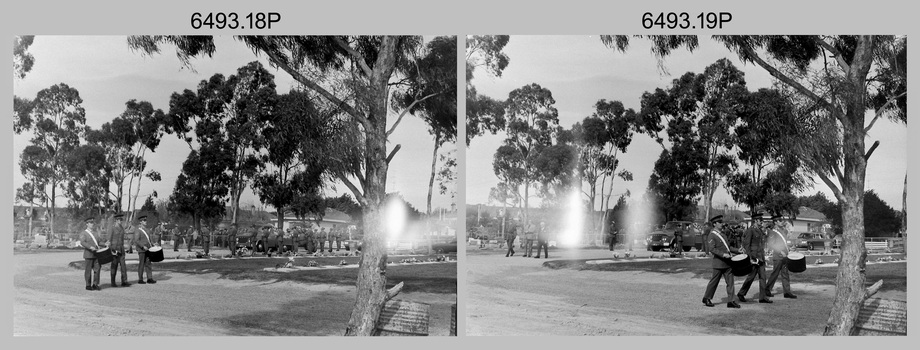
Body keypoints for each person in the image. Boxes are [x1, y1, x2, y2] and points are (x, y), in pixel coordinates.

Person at [702, 215, 742, 308]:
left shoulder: (723, 234)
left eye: (721, 222)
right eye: (719, 222)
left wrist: (737, 250)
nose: (722, 224)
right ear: (715, 224)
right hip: (719, 263)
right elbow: (712, 249)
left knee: (730, 282)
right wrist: (723, 254)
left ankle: (731, 301)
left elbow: (728, 248)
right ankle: (707, 298)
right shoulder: (712, 235)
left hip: (727, 263)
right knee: (714, 282)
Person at [738, 213, 772, 303]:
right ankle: (741, 293)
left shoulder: (760, 231)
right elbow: (747, 245)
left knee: (763, 277)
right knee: (751, 277)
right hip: (754, 257)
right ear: (755, 221)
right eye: (760, 220)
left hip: (760, 257)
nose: (762, 222)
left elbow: (763, 240)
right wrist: (750, 257)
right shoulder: (750, 230)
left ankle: (762, 297)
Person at [765, 220, 797, 299]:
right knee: (775, 274)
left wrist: (789, 248)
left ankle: (787, 292)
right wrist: (780, 251)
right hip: (778, 256)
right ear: (775, 222)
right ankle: (767, 289)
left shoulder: (783, 231)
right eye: (779, 221)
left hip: (785, 255)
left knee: (785, 274)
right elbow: (772, 244)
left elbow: (784, 243)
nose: (782, 222)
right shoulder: (773, 232)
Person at [106, 213, 130, 287]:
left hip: (121, 249)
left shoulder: (122, 228)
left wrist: (126, 247)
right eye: (119, 219)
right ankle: (113, 282)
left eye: (121, 220)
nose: (120, 221)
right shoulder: (112, 228)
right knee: (114, 265)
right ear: (116, 220)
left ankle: (124, 281)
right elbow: (109, 239)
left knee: (123, 266)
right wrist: (110, 249)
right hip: (114, 249)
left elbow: (123, 239)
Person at [79, 217, 103, 291]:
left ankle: (95, 284)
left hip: (96, 254)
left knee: (97, 269)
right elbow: (82, 242)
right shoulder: (84, 233)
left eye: (93, 223)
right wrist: (90, 247)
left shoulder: (95, 233)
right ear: (87, 224)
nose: (92, 224)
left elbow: (98, 242)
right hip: (89, 254)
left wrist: (105, 244)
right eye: (90, 223)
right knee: (88, 270)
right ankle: (88, 285)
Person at [132, 215, 156, 284]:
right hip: (141, 250)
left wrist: (153, 244)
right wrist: (142, 246)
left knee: (148, 264)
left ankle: (149, 278)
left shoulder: (147, 230)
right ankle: (140, 279)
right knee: (141, 264)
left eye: (146, 220)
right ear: (141, 222)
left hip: (148, 249)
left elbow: (149, 240)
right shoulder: (138, 230)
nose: (146, 222)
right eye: (144, 220)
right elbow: (136, 240)